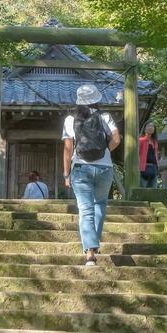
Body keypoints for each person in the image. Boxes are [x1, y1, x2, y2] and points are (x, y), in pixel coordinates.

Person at [63, 83, 121, 266]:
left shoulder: (70, 120)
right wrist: (105, 151)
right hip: (104, 168)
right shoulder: (105, 117)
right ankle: (93, 246)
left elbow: (67, 149)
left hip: (80, 168)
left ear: (78, 101)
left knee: (86, 210)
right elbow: (117, 139)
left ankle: (90, 253)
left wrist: (66, 174)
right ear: (97, 99)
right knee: (100, 205)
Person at [137, 121, 159, 189]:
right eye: (148, 126)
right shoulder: (140, 140)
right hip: (143, 168)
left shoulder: (155, 142)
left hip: (154, 168)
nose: (151, 127)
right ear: (144, 129)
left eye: (152, 126)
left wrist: (158, 167)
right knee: (142, 191)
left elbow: (156, 156)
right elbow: (137, 154)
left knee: (154, 191)